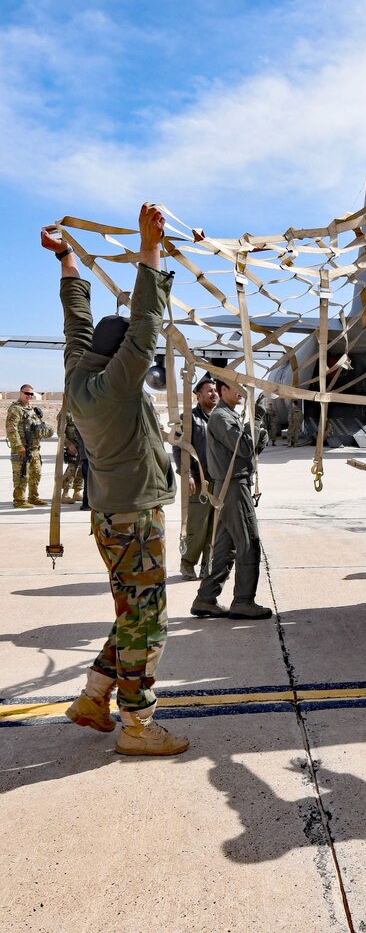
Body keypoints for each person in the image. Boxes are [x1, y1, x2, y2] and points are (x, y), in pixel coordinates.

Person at [41, 205, 188, 757]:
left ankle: (93, 698)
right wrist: (150, 251)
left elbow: (76, 319)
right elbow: (146, 325)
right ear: (119, 356)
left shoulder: (80, 368)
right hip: (133, 515)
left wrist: (67, 259)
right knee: (148, 624)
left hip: (110, 513)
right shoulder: (117, 385)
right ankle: (138, 726)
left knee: (133, 611)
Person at [190, 380, 272, 620]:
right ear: (223, 389)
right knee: (249, 543)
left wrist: (257, 426)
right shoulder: (222, 417)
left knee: (226, 548)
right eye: (236, 387)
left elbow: (254, 446)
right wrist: (255, 421)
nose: (242, 392)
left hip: (231, 487)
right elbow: (244, 448)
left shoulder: (228, 416)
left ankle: (205, 599)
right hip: (234, 486)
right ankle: (244, 601)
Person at [173, 375, 218, 579]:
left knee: (215, 528)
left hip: (219, 482)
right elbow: (179, 447)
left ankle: (207, 566)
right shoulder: (188, 419)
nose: (214, 393)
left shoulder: (221, 417)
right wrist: (187, 474)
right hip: (199, 482)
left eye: (215, 390)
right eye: (209, 390)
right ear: (198, 395)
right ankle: (188, 563)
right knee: (197, 526)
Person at [6, 385, 53, 508]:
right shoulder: (15, 409)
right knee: (21, 475)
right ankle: (19, 500)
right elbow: (11, 429)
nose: (29, 396)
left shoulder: (33, 410)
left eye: (31, 394)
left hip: (35, 449)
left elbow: (39, 427)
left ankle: (33, 497)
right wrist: (18, 446)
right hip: (22, 449)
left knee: (35, 474)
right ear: (20, 393)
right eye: (27, 393)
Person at [56, 408, 84, 505]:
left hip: (82, 444)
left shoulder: (81, 408)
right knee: (72, 469)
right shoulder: (66, 412)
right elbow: (60, 431)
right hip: (72, 446)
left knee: (81, 469)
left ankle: (77, 491)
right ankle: (65, 493)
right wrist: (68, 444)